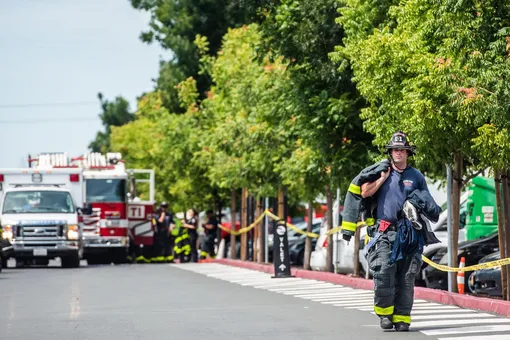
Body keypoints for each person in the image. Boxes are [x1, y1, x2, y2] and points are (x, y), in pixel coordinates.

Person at [341, 131, 441, 332]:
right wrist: (381, 179)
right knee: (384, 273)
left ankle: (402, 317)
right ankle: (385, 314)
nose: (398, 153)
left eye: (402, 150)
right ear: (391, 152)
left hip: (409, 234)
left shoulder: (416, 176)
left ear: (407, 153)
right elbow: (364, 192)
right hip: (384, 233)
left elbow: (427, 201)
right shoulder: (381, 171)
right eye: (395, 149)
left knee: (406, 277)